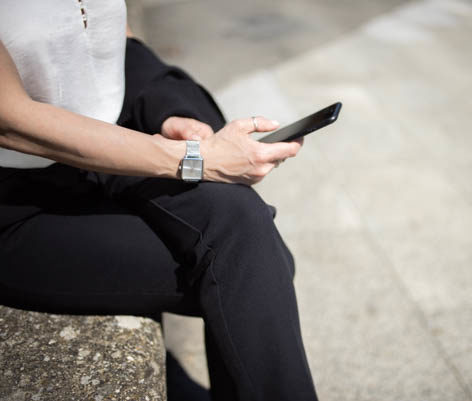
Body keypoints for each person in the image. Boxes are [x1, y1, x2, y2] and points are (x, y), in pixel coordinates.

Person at [0, 1, 318, 400]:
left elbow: (115, 39)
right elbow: (10, 120)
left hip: (109, 158)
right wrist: (196, 160)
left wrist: (170, 111)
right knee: (253, 268)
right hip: (18, 204)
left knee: (243, 226)